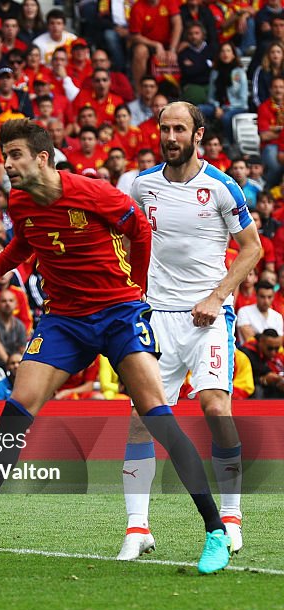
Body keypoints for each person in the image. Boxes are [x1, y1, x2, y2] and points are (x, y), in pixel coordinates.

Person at [0, 119, 233, 575]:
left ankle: (215, 532)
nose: (6, 164)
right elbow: (23, 244)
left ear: (42, 158)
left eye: (15, 155)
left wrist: (138, 288)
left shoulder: (97, 193)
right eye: (4, 155)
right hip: (65, 320)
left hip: (118, 314)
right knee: (17, 408)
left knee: (156, 414)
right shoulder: (20, 200)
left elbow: (140, 233)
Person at [121, 102, 262, 560]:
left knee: (214, 406)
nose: (171, 136)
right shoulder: (143, 186)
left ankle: (232, 517)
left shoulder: (221, 187)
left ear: (198, 134)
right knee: (141, 419)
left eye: (180, 128)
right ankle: (137, 528)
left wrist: (216, 296)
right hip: (157, 315)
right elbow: (128, 242)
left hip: (208, 316)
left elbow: (251, 249)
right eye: (165, 128)